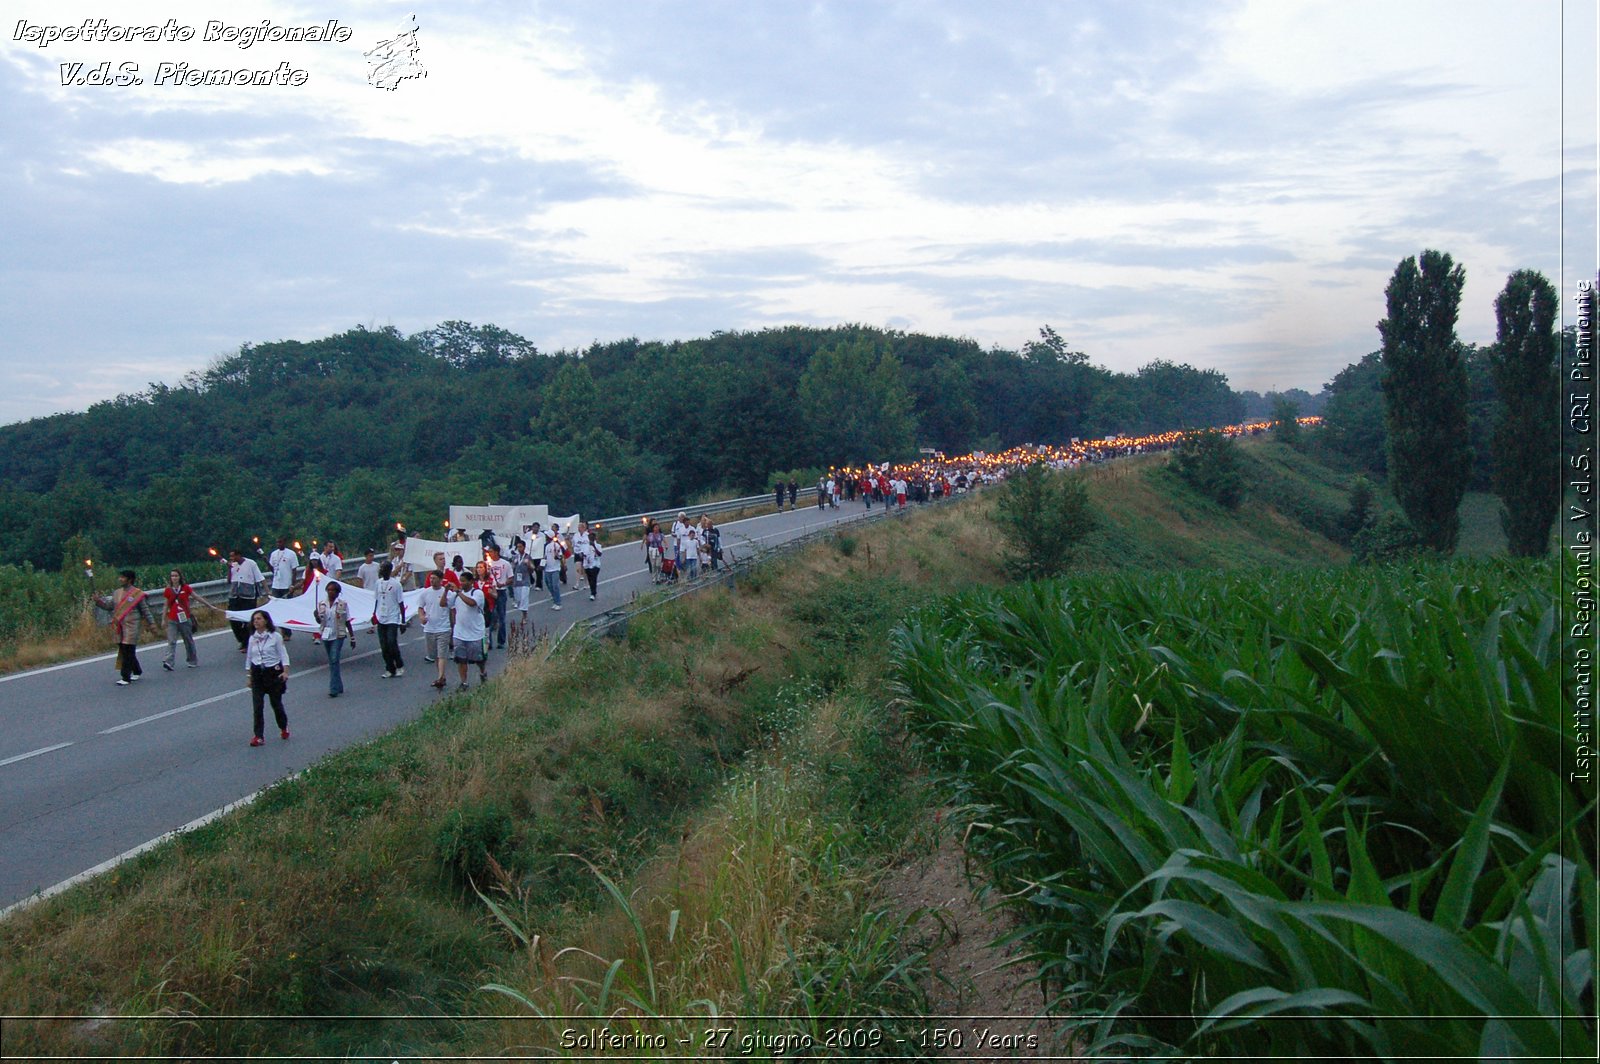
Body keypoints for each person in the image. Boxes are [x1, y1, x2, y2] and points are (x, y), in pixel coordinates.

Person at [97, 569, 157, 686]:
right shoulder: (117, 593)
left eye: (123, 577)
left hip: (132, 625)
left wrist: (152, 623)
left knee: (128, 649)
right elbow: (109, 607)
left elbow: (145, 610)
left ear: (129, 580)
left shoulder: (137, 594)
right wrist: (98, 601)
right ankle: (137, 670)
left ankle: (125, 677)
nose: (120, 579)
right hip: (119, 625)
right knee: (124, 649)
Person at [244, 609, 290, 746]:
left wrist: (285, 671)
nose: (256, 621)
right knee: (257, 706)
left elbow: (283, 654)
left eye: (259, 619)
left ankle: (283, 726)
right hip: (257, 673)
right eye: (254, 619)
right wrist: (249, 676)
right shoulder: (253, 638)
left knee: (276, 704)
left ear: (265, 621)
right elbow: (249, 657)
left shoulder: (275, 636)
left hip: (273, 673)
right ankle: (258, 736)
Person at [446, 569, 488, 689]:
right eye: (461, 581)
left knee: (478, 659)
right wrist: (445, 591)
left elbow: (471, 603)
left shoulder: (477, 593)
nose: (461, 583)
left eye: (464, 581)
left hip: (475, 633)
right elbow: (444, 604)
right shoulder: (456, 595)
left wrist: (459, 592)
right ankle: (464, 682)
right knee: (461, 659)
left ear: (471, 582)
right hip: (459, 632)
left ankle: (482, 672)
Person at [314, 580, 355, 698]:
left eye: (333, 590)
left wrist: (352, 637)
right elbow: (320, 621)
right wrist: (316, 616)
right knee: (333, 661)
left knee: (333, 659)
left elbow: (347, 620)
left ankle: (333, 688)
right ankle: (339, 685)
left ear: (337, 592)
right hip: (326, 634)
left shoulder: (343, 604)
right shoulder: (322, 604)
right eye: (329, 590)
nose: (331, 592)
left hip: (338, 635)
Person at [160, 568, 205, 670]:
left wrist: (209, 605)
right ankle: (169, 661)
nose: (174, 578)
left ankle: (192, 660)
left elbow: (196, 597)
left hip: (185, 618)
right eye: (172, 576)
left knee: (188, 640)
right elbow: (165, 605)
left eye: (176, 576)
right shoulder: (168, 590)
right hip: (172, 619)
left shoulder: (186, 588)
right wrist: (163, 619)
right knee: (171, 641)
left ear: (180, 577)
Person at [416, 570, 454, 688]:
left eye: (434, 578)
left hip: (443, 628)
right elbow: (420, 607)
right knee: (435, 655)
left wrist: (453, 626)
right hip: (429, 628)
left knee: (442, 654)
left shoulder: (448, 593)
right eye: (431, 578)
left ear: (440, 580)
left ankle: (440, 677)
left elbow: (452, 610)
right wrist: (422, 617)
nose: (432, 580)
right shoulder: (425, 593)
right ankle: (441, 676)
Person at [225, 549, 265, 652]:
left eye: (233, 556)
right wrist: (229, 569)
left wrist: (266, 591)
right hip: (235, 596)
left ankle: (247, 643)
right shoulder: (233, 566)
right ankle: (242, 640)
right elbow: (229, 580)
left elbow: (260, 578)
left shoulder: (251, 563)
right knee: (233, 619)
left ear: (239, 555)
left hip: (248, 596)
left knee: (248, 620)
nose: (231, 559)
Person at [374, 560, 406, 678]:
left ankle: (399, 664)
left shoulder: (396, 584)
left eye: (383, 568)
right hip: (381, 617)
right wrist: (374, 614)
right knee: (384, 645)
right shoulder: (378, 583)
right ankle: (389, 668)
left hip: (392, 617)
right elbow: (377, 599)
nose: (381, 570)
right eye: (381, 568)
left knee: (392, 643)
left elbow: (401, 603)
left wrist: (403, 621)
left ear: (388, 570)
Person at [486, 545, 513, 648]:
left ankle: (501, 641)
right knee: (490, 617)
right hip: (490, 591)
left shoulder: (505, 564)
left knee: (501, 617)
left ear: (497, 552)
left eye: (491, 551)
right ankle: (489, 642)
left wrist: (504, 583)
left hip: (501, 592)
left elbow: (511, 578)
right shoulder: (487, 564)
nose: (490, 554)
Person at [575, 520, 603, 600]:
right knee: (590, 579)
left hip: (595, 565)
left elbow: (600, 554)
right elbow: (582, 554)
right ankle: (593, 590)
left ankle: (593, 593)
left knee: (594, 578)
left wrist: (593, 546)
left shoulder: (598, 545)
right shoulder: (585, 546)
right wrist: (582, 555)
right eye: (590, 538)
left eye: (592, 538)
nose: (591, 539)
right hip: (587, 565)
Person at [541, 528, 564, 610]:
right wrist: (542, 564)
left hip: (555, 568)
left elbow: (560, 556)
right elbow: (545, 556)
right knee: (549, 584)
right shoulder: (546, 546)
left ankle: (558, 602)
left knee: (555, 586)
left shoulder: (556, 545)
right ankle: (554, 600)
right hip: (547, 568)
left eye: (546, 536)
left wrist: (557, 556)